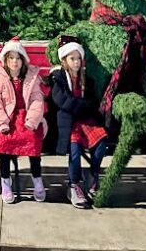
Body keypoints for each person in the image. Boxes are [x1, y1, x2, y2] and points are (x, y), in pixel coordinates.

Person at [0, 38, 47, 204]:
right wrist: (2, 121)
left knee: (33, 140)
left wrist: (32, 120)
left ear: (23, 60)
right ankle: (5, 181)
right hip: (5, 117)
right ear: (5, 60)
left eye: (18, 57)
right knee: (5, 143)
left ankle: (37, 179)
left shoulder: (31, 77)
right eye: (11, 58)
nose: (15, 61)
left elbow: (37, 100)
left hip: (26, 116)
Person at [50, 37, 109, 209]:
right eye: (72, 58)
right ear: (64, 60)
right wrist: (82, 107)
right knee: (74, 152)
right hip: (69, 122)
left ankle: (92, 175)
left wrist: (85, 107)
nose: (76, 62)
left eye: (78, 58)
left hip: (85, 120)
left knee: (101, 141)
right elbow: (61, 100)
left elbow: (92, 102)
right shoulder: (58, 77)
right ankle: (74, 184)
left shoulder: (86, 80)